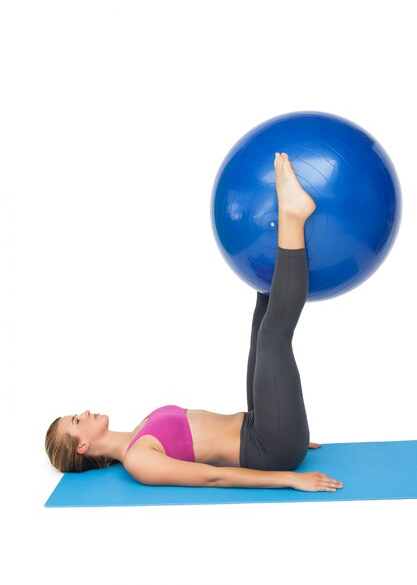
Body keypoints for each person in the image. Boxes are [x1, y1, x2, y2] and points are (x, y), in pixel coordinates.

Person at [45, 153, 344, 493]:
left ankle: (284, 227)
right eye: (76, 421)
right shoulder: (139, 460)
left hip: (266, 428)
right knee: (272, 338)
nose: (83, 413)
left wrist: (287, 424)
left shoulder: (139, 431)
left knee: (260, 324)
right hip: (269, 449)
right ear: (81, 446)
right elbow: (212, 477)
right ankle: (292, 216)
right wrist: (290, 477)